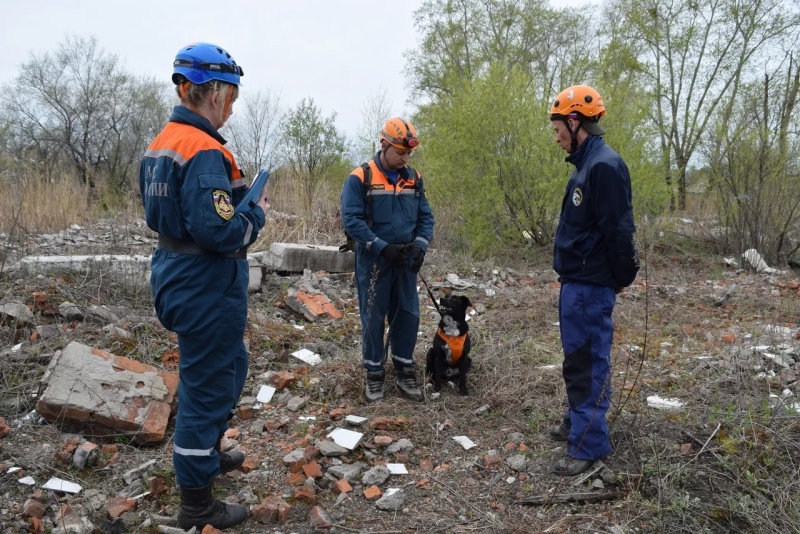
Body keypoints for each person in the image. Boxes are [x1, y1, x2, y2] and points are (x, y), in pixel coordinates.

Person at [139, 42, 270, 530]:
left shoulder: (163, 141)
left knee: (229, 366)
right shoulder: (205, 149)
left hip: (177, 272)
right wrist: (254, 213)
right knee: (206, 387)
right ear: (210, 93)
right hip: (205, 282)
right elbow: (220, 230)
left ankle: (207, 452)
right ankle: (197, 505)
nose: (232, 107)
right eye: (231, 96)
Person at [547, 85, 639, 476]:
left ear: (574, 121)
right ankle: (577, 422)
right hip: (577, 282)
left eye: (557, 128)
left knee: (587, 363)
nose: (556, 136)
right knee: (578, 361)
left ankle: (588, 447)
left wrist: (621, 276)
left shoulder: (603, 165)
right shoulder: (587, 164)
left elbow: (620, 230)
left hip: (590, 285)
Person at [340, 118, 435, 403]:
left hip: (405, 260)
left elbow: (426, 218)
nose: (404, 158)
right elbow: (352, 221)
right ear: (384, 145)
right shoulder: (361, 178)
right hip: (373, 261)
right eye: (400, 152)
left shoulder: (414, 179)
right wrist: (381, 247)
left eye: (408, 153)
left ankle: (405, 371)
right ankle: (374, 375)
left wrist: (420, 246)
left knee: (407, 314)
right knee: (373, 317)